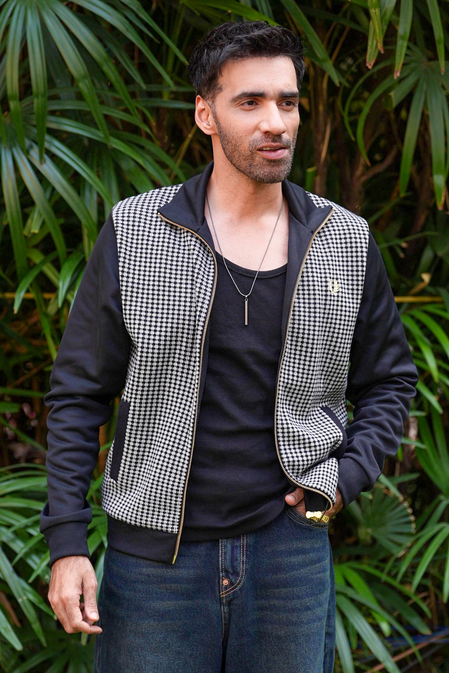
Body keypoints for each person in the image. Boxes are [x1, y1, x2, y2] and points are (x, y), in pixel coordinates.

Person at [40, 20, 419, 673]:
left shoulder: (345, 240)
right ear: (205, 114)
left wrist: (343, 475)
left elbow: (389, 380)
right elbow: (79, 392)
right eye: (250, 101)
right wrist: (68, 542)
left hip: (289, 555)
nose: (275, 122)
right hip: (153, 560)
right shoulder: (137, 229)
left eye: (287, 102)